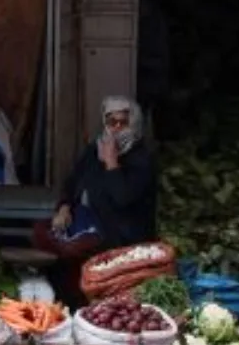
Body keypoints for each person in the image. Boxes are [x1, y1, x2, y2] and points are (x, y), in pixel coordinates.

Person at [34, 98, 159, 295]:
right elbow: (73, 183)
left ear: (133, 123)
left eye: (123, 122)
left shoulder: (141, 159)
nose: (117, 128)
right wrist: (64, 208)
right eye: (111, 122)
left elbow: (122, 197)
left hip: (121, 239)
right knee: (44, 235)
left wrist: (111, 162)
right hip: (88, 225)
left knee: (81, 257)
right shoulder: (94, 150)